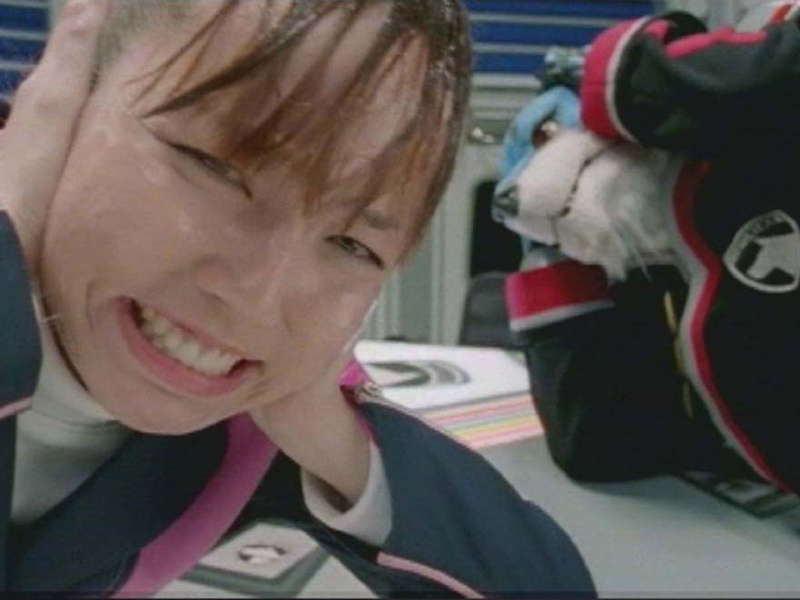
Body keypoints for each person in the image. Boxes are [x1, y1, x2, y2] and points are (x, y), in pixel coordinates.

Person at [0, 0, 596, 595]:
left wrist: (327, 432)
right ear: (59, 102)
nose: (259, 300)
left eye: (352, 245)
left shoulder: (238, 430)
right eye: (211, 166)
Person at [497, 1, 800, 491]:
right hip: (737, 457)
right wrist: (557, 244)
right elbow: (602, 446)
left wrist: (613, 76)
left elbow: (753, 82)